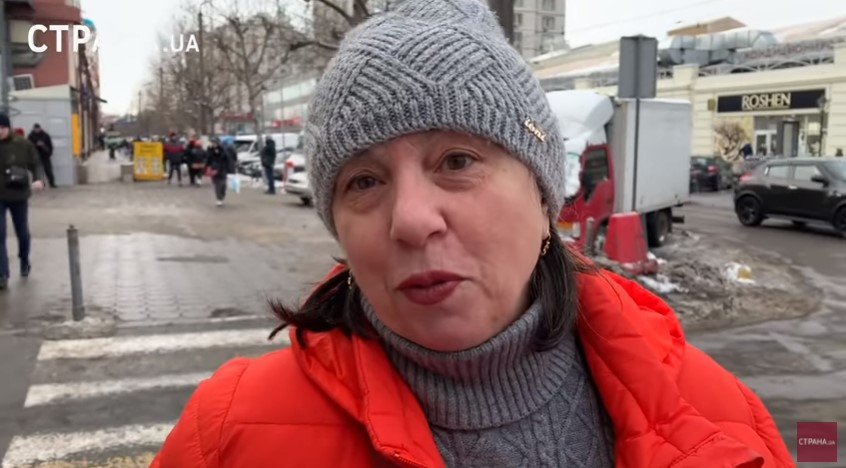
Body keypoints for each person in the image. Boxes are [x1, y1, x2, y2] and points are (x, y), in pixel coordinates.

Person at [153, 0, 792, 466]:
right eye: (364, 182)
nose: (410, 220)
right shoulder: (226, 437)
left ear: (544, 198)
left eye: (457, 161)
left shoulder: (722, 420)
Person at [0, 113, 44, 291]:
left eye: (2, 128)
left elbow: (36, 163)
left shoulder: (23, 144)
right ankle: (2, 274)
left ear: (8, 127)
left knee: (22, 232)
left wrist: (39, 179)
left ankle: (24, 259)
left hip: (18, 194)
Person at [204, 137, 233, 207]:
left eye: (214, 142)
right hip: (214, 169)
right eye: (212, 142)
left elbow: (228, 159)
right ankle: (219, 199)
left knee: (223, 186)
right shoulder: (210, 150)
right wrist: (206, 167)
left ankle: (221, 196)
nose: (213, 144)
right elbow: (207, 159)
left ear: (218, 143)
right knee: (217, 185)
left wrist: (230, 169)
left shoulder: (223, 150)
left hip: (222, 169)